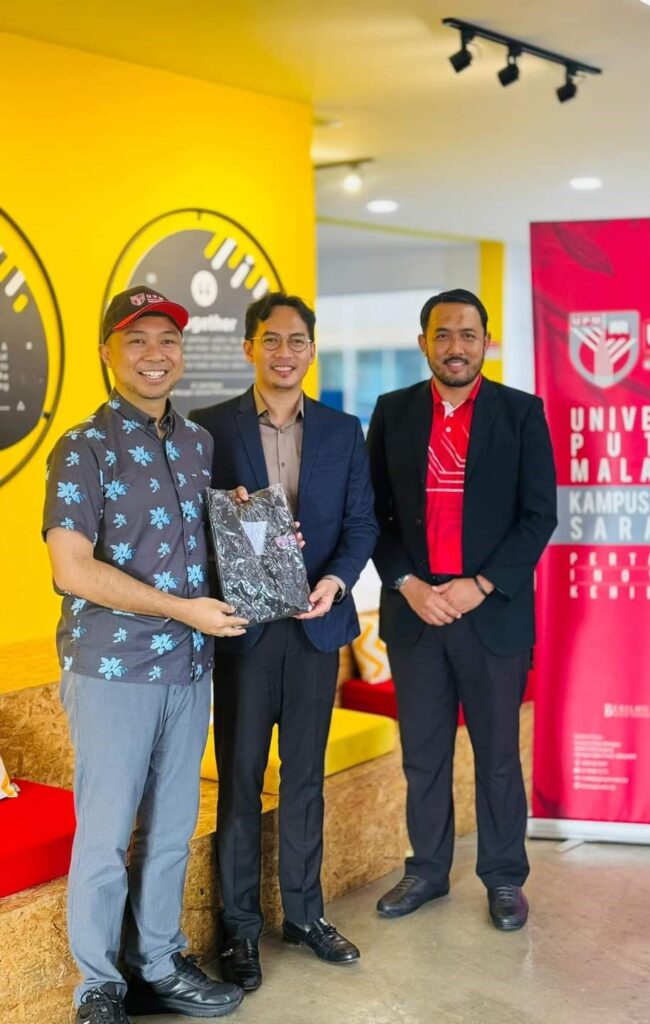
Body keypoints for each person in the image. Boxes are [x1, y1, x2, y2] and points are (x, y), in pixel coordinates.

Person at [43, 286, 248, 1024]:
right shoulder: (82, 446)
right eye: (136, 340)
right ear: (107, 353)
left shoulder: (197, 444)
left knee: (170, 830)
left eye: (167, 339)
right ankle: (98, 985)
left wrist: (247, 531)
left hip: (189, 669)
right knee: (105, 835)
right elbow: (73, 570)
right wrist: (182, 611)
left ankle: (159, 962)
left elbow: (192, 549)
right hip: (113, 669)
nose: (154, 354)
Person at [190, 292, 378, 992]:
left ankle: (304, 915)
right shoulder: (210, 429)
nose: (285, 352)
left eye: (298, 341)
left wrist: (334, 582)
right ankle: (240, 929)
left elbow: (361, 524)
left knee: (304, 779)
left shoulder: (342, 430)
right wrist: (227, 519)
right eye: (271, 339)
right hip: (243, 634)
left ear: (311, 350)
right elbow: (193, 527)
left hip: (315, 630)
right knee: (240, 782)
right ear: (249, 347)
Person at [367, 288, 557, 931]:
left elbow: (539, 515)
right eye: (443, 334)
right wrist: (408, 584)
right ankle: (427, 870)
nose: (456, 347)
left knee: (497, 756)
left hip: (491, 614)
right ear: (424, 343)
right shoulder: (392, 412)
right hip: (416, 614)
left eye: (468, 334)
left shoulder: (521, 413)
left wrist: (481, 584)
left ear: (486, 342)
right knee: (423, 755)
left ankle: (504, 878)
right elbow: (373, 515)